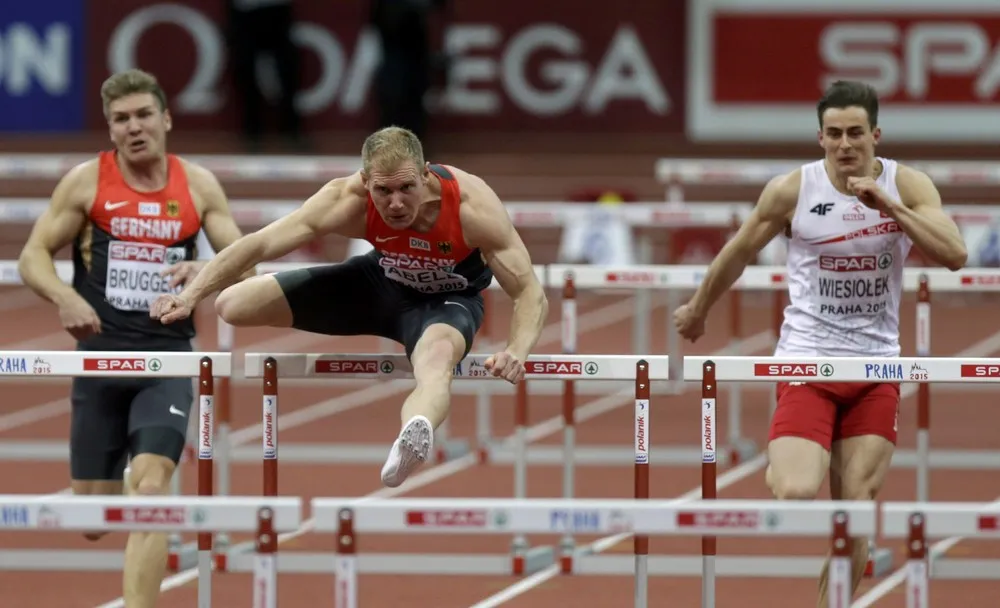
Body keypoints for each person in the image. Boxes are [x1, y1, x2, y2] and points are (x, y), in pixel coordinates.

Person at [673, 80, 967, 606]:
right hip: (809, 359)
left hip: (876, 368)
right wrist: (698, 309)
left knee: (856, 510)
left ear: (876, 135)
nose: (845, 144)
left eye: (856, 133)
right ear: (820, 137)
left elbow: (955, 254)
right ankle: (805, 443)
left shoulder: (909, 185)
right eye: (834, 134)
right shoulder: (793, 190)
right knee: (795, 488)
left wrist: (890, 207)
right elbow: (737, 252)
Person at [150, 125, 549, 488]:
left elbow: (530, 290)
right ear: (364, 183)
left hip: (446, 302)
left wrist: (517, 350)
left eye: (406, 188)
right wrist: (190, 296)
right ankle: (414, 412)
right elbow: (259, 244)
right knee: (233, 304)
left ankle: (414, 433)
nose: (395, 204)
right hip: (378, 284)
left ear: (426, 174)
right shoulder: (346, 200)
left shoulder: (470, 207)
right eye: (383, 191)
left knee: (435, 361)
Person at [17, 69, 250, 608]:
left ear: (166, 119)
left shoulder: (196, 185)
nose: (134, 127)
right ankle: (123, 476)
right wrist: (65, 298)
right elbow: (33, 256)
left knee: (151, 495)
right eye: (121, 119)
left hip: (166, 358)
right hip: (99, 357)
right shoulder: (87, 182)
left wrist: (204, 270)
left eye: (144, 115)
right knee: (94, 517)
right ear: (110, 128)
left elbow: (241, 257)